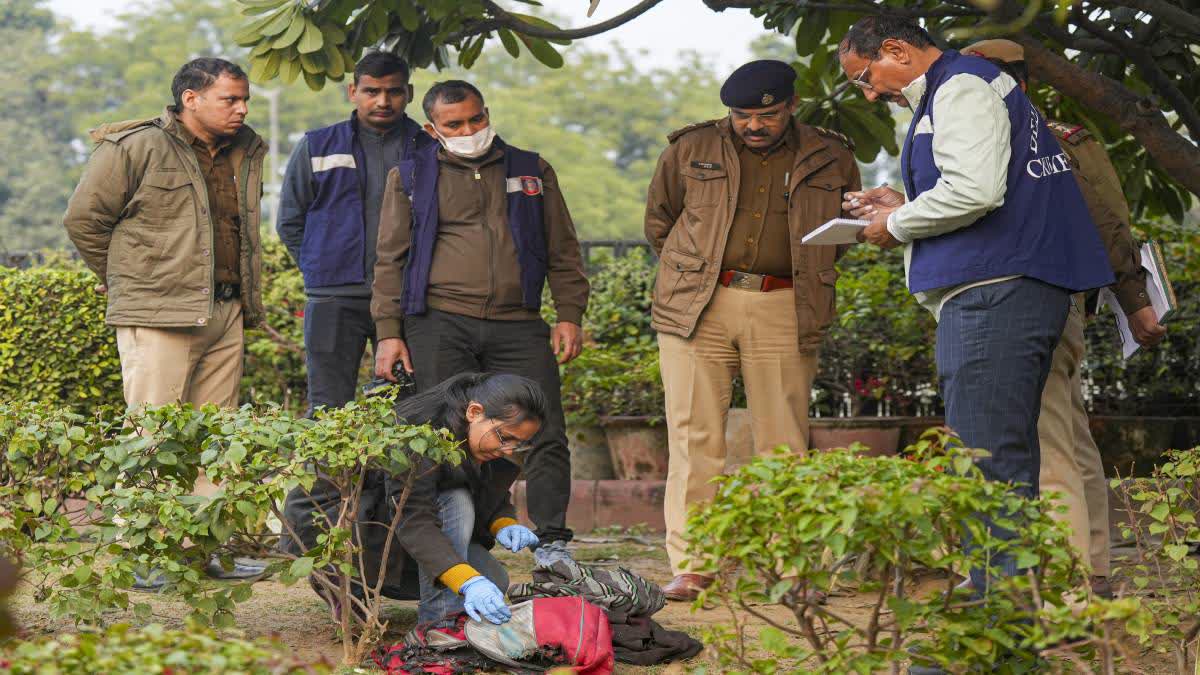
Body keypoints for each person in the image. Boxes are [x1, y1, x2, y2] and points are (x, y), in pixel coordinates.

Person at [836, 16, 1115, 613]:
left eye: (865, 76)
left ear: (895, 50)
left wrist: (895, 223)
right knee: (1002, 452)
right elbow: (989, 185)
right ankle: (1007, 594)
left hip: (996, 291)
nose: (868, 93)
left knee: (990, 458)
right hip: (1010, 286)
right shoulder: (964, 86)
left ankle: (1003, 608)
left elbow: (974, 193)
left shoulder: (959, 85)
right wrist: (904, 202)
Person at [643, 59, 862, 602]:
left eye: (765, 114)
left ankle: (794, 567)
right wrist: (696, 274)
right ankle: (695, 565)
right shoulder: (692, 148)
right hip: (699, 303)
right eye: (741, 116)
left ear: (790, 105)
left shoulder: (831, 153)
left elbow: (849, 227)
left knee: (783, 440)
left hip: (785, 303)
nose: (752, 125)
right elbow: (660, 221)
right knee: (694, 436)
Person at [962, 39, 1168, 600]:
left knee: (1045, 437)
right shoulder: (1007, 136)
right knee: (1067, 433)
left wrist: (1135, 298)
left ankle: (1069, 579)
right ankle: (1092, 566)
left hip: (1035, 298)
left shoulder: (1046, 141)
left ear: (1015, 85)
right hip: (1034, 298)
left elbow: (1107, 221)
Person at [63, 57, 268, 587]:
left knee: (216, 441)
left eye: (244, 98)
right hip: (158, 313)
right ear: (190, 98)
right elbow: (84, 219)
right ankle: (143, 555)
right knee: (151, 437)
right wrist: (123, 278)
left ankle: (202, 551)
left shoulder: (247, 147)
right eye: (230, 99)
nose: (242, 108)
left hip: (227, 309)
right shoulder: (134, 146)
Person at [371, 80, 589, 564]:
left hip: (519, 321)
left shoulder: (531, 169)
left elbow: (563, 249)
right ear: (432, 128)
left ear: (487, 113)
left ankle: (553, 542)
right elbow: (389, 260)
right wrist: (389, 333)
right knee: (447, 434)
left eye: (476, 119)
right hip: (440, 322)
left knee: (544, 428)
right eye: (455, 125)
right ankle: (465, 541)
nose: (469, 130)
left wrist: (569, 314)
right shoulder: (409, 176)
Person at [283, 372, 544, 629]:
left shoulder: (473, 435)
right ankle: (436, 621)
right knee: (456, 499)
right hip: (339, 528)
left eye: (518, 444)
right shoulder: (419, 435)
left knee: (493, 580)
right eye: (504, 437)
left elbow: (488, 489)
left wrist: (504, 523)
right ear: (474, 412)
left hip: (390, 523)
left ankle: (434, 601)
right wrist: (466, 582)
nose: (508, 450)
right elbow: (413, 518)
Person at [276, 52, 432, 415]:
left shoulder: (429, 147)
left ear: (408, 92)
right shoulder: (317, 145)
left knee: (407, 406)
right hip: (334, 299)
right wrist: (321, 267)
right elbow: (290, 219)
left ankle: (398, 476)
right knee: (328, 408)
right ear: (352, 91)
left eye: (393, 92)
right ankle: (329, 477)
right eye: (371, 91)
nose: (382, 101)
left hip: (407, 300)